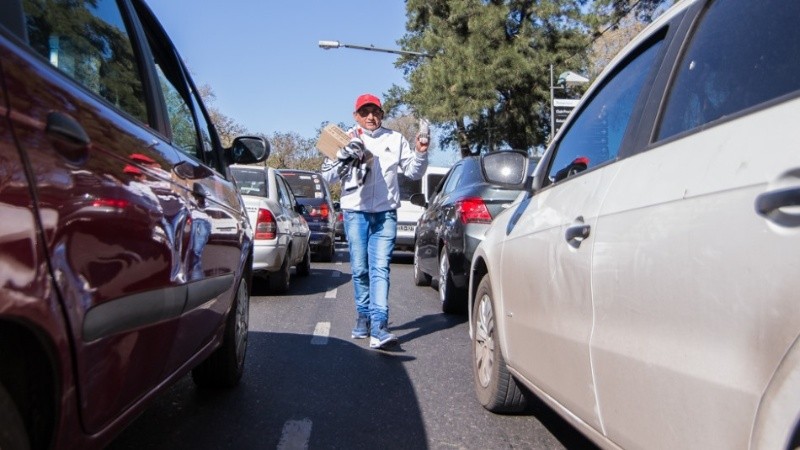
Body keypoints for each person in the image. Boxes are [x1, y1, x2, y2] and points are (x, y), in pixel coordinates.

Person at [321, 93, 429, 349]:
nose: (371, 117)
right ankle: (363, 316)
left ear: (381, 114)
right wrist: (345, 157)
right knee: (360, 270)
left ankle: (379, 325)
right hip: (355, 213)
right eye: (365, 112)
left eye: (376, 111)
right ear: (356, 116)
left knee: (380, 268)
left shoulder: (395, 139)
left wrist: (421, 152)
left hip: (385, 213)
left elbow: (413, 171)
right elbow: (327, 177)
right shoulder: (343, 138)